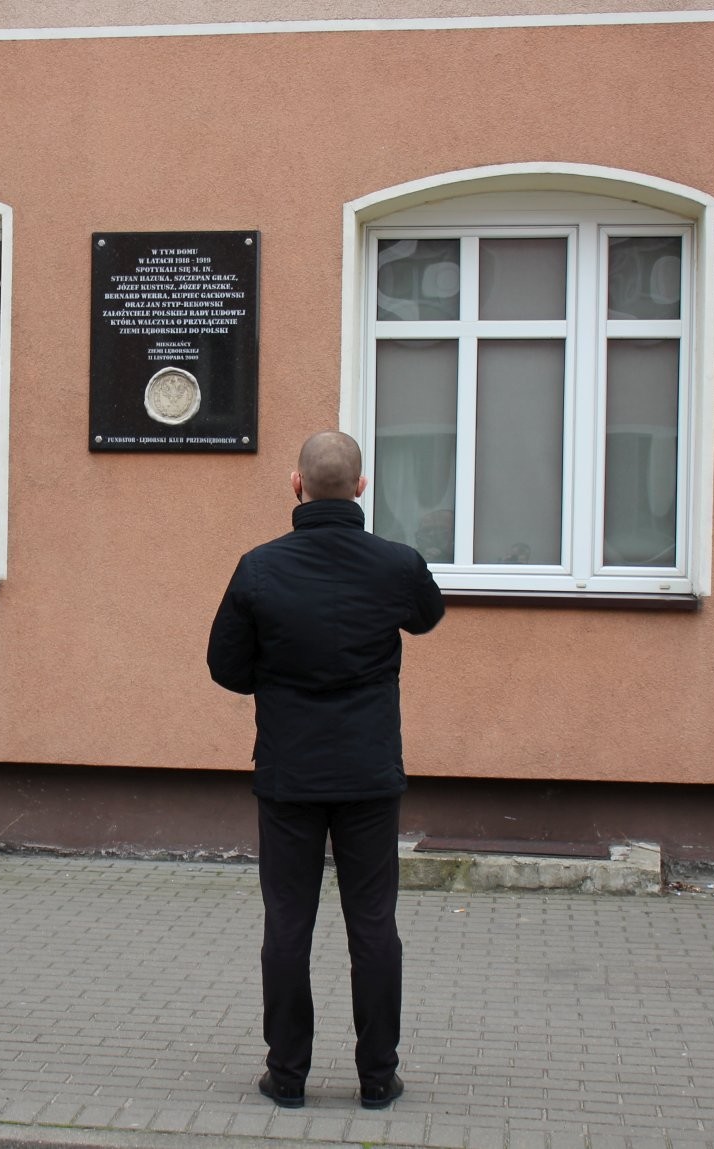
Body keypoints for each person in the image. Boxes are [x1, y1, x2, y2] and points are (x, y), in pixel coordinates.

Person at [206, 430, 444, 1111]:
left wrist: (278, 678)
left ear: (297, 484)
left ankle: (287, 1076)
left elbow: (225, 666)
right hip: (369, 771)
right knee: (373, 924)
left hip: (290, 772)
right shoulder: (397, 564)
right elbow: (428, 617)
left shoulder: (259, 568)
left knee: (287, 924)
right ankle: (378, 1077)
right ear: (362, 487)